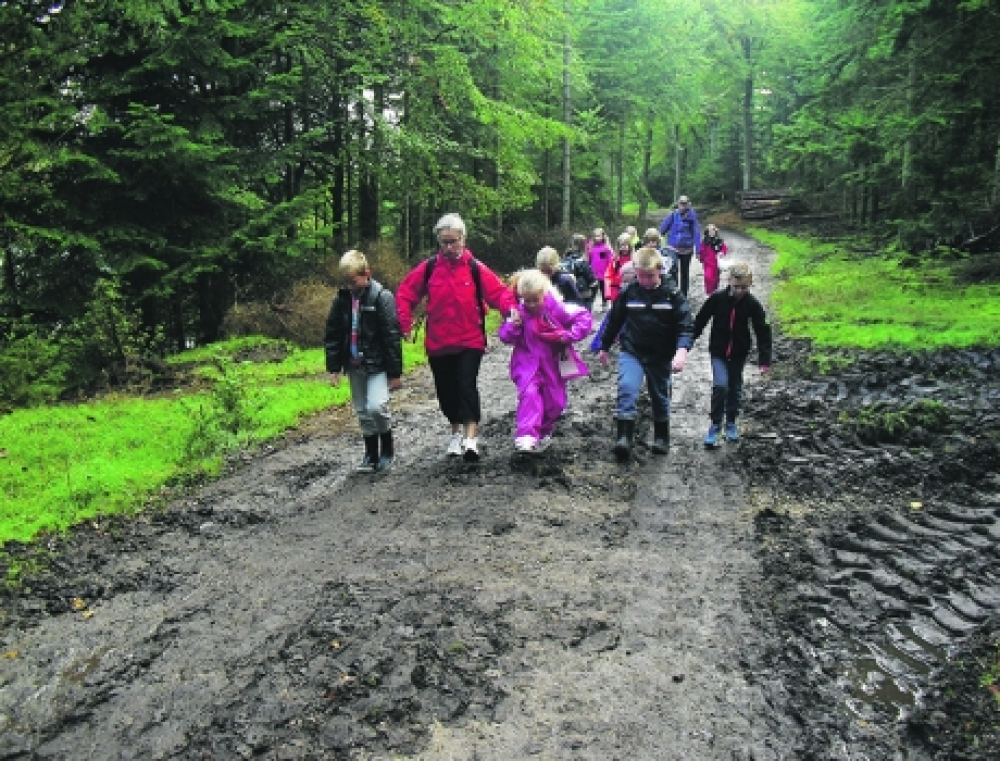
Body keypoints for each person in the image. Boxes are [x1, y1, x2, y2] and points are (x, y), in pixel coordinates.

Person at [396, 212, 516, 462]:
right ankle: (455, 432)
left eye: (454, 241)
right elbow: (406, 293)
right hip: (438, 343)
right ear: (439, 242)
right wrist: (404, 323)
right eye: (445, 242)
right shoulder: (429, 268)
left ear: (463, 239)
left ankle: (471, 439)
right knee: (446, 391)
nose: (449, 247)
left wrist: (513, 313)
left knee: (466, 385)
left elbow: (499, 294)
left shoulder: (475, 268)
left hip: (470, 340)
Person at [598, 247, 694, 459]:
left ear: (660, 270)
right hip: (633, 350)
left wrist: (681, 351)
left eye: (649, 276)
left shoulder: (672, 295)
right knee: (627, 386)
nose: (645, 281)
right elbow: (614, 321)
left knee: (659, 393)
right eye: (640, 276)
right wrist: (604, 346)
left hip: (661, 354)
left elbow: (685, 326)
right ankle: (624, 437)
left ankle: (661, 436)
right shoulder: (629, 292)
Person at [324, 250, 403, 472]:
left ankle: (387, 447)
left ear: (366, 274)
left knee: (376, 406)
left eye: (353, 281)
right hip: (353, 363)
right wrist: (333, 368)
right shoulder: (341, 300)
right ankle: (370, 454)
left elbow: (391, 336)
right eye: (346, 282)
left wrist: (394, 373)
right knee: (362, 410)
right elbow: (333, 334)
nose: (350, 286)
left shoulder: (382, 297)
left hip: (377, 364)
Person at [498, 269, 592, 453]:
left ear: (544, 293)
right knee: (530, 394)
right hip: (527, 364)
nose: (531, 304)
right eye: (527, 300)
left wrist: (569, 335)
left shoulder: (557, 308)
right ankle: (526, 435)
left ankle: (544, 431)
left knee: (555, 402)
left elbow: (584, 317)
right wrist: (512, 326)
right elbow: (505, 337)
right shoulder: (519, 313)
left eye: (536, 300)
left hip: (553, 363)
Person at [692, 262, 772, 447]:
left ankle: (731, 422)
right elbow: (701, 320)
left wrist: (764, 360)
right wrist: (687, 343)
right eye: (736, 286)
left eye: (744, 287)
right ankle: (715, 425)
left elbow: (763, 331)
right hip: (718, 351)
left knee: (735, 387)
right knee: (720, 385)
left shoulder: (752, 304)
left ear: (750, 283)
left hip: (738, 353)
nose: (739, 291)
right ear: (729, 281)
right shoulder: (717, 298)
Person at [658, 195, 702, 297]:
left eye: (685, 204)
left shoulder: (692, 218)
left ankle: (683, 295)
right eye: (681, 204)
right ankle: (675, 293)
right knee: (673, 270)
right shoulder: (673, 215)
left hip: (687, 249)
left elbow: (696, 233)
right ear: (678, 204)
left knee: (685, 272)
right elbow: (662, 229)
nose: (683, 206)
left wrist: (698, 251)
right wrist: (655, 241)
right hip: (672, 248)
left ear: (688, 204)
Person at [590, 260, 635, 351]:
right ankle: (601, 343)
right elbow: (608, 277)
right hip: (617, 296)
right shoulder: (616, 262)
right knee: (612, 320)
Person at [561, 233, 598, 310]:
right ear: (584, 247)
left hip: (568, 298)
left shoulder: (564, 261)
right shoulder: (582, 262)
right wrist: (591, 298)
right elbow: (593, 283)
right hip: (583, 296)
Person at [697, 223, 728, 294]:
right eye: (710, 231)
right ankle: (709, 291)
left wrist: (722, 253)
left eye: (713, 230)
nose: (711, 232)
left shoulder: (719, 241)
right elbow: (701, 250)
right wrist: (701, 257)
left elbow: (724, 248)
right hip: (708, 264)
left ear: (715, 231)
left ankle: (715, 291)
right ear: (707, 232)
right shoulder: (704, 241)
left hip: (717, 264)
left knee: (716, 279)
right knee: (708, 277)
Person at [588, 228, 614, 310]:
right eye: (595, 236)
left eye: (599, 236)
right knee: (593, 289)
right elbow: (589, 259)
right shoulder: (591, 247)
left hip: (603, 273)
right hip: (593, 272)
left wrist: (610, 270)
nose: (597, 238)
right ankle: (590, 304)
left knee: (603, 289)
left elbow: (610, 259)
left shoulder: (606, 248)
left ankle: (604, 303)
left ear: (603, 236)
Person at [604, 233, 634, 303]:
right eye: (621, 245)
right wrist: (608, 292)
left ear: (630, 246)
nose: (623, 248)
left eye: (625, 245)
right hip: (616, 291)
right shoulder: (615, 260)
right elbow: (608, 276)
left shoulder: (634, 260)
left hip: (631, 290)